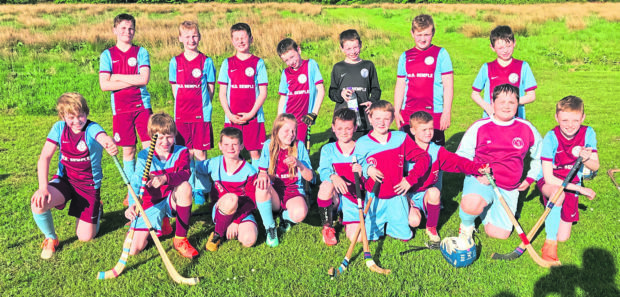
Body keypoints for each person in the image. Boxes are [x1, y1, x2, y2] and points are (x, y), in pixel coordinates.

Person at [31, 93, 118, 259]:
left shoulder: (91, 128)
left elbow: (103, 137)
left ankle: (97, 208)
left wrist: (109, 143)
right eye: (71, 117)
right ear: (63, 116)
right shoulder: (58, 128)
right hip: (65, 181)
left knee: (85, 237)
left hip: (88, 186)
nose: (77, 121)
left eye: (81, 115)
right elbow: (45, 158)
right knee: (38, 201)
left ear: (86, 113)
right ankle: (51, 238)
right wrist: (43, 188)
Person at [456, 84, 542, 244]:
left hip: (509, 186)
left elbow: (541, 156)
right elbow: (461, 156)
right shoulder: (480, 126)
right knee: (471, 204)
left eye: (512, 102)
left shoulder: (526, 128)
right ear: (493, 103)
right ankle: (466, 225)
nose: (506, 106)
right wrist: (477, 172)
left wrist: (530, 178)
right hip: (481, 180)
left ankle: (487, 206)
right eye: (501, 101)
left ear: (518, 104)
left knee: (498, 234)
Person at [405, 111, 488, 245]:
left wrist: (477, 168)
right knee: (414, 222)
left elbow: (458, 162)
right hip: (406, 194)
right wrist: (406, 198)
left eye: (431, 128)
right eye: (424, 129)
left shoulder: (437, 151)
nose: (428, 133)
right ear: (413, 130)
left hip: (426, 192)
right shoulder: (404, 149)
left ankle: (431, 227)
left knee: (435, 192)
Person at [124, 112, 198, 259]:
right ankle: (161, 222)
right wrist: (132, 204)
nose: (165, 141)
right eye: (160, 137)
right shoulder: (145, 156)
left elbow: (185, 173)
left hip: (172, 200)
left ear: (175, 134)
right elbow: (136, 181)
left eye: (169, 136)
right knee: (133, 249)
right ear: (152, 136)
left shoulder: (181, 151)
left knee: (185, 187)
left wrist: (165, 178)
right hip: (151, 204)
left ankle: (180, 239)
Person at [355, 100, 430, 241]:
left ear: (392, 120)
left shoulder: (400, 138)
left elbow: (424, 158)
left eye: (386, 119)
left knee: (405, 235)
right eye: (377, 118)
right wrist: (367, 169)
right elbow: (356, 165)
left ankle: (397, 219)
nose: (381, 123)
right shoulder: (362, 143)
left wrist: (410, 180)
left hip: (397, 194)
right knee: (367, 237)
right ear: (370, 118)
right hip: (374, 196)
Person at [537, 95, 599, 261]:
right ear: (556, 117)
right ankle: (549, 244)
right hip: (551, 181)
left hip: (572, 181)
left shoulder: (588, 133)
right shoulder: (551, 137)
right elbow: (549, 177)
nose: (570, 125)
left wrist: (586, 158)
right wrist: (580, 189)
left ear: (583, 118)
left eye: (575, 120)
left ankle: (554, 213)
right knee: (558, 194)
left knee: (563, 237)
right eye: (564, 120)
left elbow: (596, 166)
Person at [99, 13, 152, 205]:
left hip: (142, 107)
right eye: (123, 28)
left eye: (130, 29)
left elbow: (143, 79)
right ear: (115, 30)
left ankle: (145, 189)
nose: (127, 32)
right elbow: (104, 85)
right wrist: (131, 78)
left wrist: (116, 77)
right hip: (121, 110)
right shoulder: (107, 55)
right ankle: (132, 194)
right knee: (128, 151)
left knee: (148, 149)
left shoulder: (141, 52)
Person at [197, 127, 269, 251]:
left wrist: (236, 221)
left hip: (242, 211)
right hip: (222, 209)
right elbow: (195, 168)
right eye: (226, 144)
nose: (230, 148)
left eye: (234, 144)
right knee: (231, 199)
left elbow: (252, 201)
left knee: (249, 240)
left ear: (241, 146)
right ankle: (218, 233)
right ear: (220, 146)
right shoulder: (214, 163)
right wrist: (202, 186)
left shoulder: (249, 171)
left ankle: (226, 228)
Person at [169, 21, 216, 205]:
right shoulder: (175, 61)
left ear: (200, 36)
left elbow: (210, 89)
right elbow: (175, 89)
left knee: (200, 153)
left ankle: (201, 188)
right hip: (181, 115)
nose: (191, 40)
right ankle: (187, 185)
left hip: (201, 115)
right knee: (185, 153)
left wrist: (203, 105)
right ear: (180, 38)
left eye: (194, 36)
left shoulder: (206, 61)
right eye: (187, 36)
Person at [394, 14, 454, 146]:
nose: (422, 39)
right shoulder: (405, 56)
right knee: (408, 153)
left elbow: (448, 86)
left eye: (426, 34)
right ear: (412, 33)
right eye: (419, 35)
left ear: (433, 33)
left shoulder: (441, 54)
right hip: (409, 112)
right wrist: (396, 110)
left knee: (434, 153)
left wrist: (446, 112)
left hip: (434, 112)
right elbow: (400, 85)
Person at [218, 22, 268, 168]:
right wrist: (229, 114)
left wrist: (251, 114)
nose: (240, 41)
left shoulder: (258, 63)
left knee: (254, 152)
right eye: (236, 38)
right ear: (232, 41)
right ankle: (236, 180)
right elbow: (222, 93)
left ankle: (257, 181)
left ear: (251, 39)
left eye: (243, 37)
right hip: (232, 118)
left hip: (253, 118)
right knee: (232, 152)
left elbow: (263, 93)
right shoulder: (227, 63)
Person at [255, 114, 313, 239]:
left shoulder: (299, 145)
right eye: (287, 130)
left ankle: (283, 216)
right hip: (273, 192)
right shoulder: (268, 145)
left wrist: (299, 164)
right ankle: (270, 228)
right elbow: (262, 172)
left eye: (293, 131)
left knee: (300, 213)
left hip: (293, 191)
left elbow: (310, 177)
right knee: (261, 185)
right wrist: (262, 175)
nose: (291, 134)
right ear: (276, 131)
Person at [317, 108, 363, 246]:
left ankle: (346, 217)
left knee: (358, 238)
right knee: (326, 185)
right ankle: (327, 227)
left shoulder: (361, 147)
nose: (344, 132)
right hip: (336, 196)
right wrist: (333, 176)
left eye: (348, 128)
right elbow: (324, 170)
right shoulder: (328, 149)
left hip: (354, 196)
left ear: (355, 127)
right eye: (340, 128)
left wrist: (363, 170)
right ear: (333, 128)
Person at [471, 25, 537, 119]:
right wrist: (488, 108)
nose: (505, 51)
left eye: (508, 46)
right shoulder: (487, 68)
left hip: (516, 119)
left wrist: (510, 104)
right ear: (492, 47)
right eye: (501, 48)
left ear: (514, 43)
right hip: (491, 119)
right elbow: (475, 94)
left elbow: (531, 96)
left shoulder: (523, 66)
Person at [328, 29, 381, 140]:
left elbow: (376, 89)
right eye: (348, 48)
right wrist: (341, 94)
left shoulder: (368, 65)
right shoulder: (338, 67)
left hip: (364, 119)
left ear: (360, 45)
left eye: (355, 47)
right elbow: (332, 92)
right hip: (344, 118)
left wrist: (372, 101)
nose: (352, 51)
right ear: (341, 48)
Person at [276, 38, 325, 143]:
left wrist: (314, 113)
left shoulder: (311, 65)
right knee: (285, 144)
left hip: (304, 118)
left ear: (299, 50)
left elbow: (320, 90)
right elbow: (283, 97)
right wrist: (279, 118)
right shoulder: (285, 73)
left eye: (292, 57)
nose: (291, 62)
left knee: (299, 146)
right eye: (286, 60)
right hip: (287, 117)